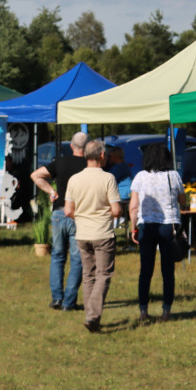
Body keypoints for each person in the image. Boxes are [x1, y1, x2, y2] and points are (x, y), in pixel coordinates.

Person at [64, 140, 122, 333]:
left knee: (88, 275)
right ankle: (92, 315)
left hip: (82, 233)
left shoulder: (74, 179)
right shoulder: (108, 178)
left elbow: (68, 210)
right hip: (103, 233)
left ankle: (91, 317)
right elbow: (115, 210)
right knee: (103, 274)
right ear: (102, 156)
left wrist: (83, 216)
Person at [31, 131, 88, 311]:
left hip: (58, 213)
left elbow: (36, 175)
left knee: (57, 256)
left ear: (71, 146)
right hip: (78, 214)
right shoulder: (90, 165)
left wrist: (51, 192)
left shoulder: (60, 162)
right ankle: (69, 302)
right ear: (86, 148)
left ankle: (57, 298)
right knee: (77, 259)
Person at [129, 144, 185, 322]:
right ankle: (166, 310)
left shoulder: (140, 177)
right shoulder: (173, 175)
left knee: (145, 270)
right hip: (169, 225)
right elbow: (182, 200)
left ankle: (143, 311)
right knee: (168, 271)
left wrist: (133, 228)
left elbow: (133, 206)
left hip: (146, 225)